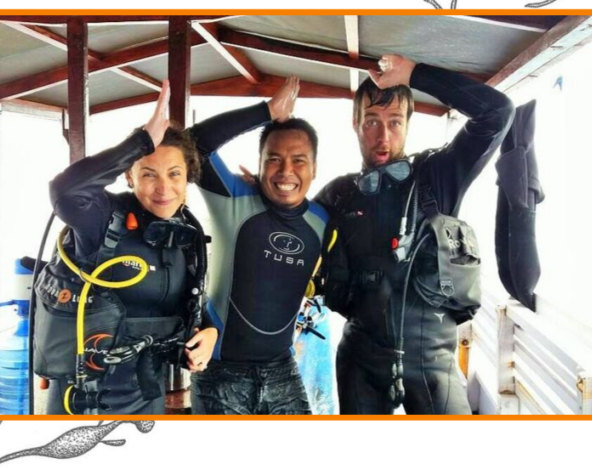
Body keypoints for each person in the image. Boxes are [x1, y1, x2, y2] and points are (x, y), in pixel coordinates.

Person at [315, 54, 514, 415]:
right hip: (360, 358)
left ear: (408, 124)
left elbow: (498, 112)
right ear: (355, 123)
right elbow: (290, 232)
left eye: (394, 122)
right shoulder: (338, 194)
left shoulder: (439, 176)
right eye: (372, 122)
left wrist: (414, 74)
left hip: (433, 363)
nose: (383, 136)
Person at [34, 81, 218, 415]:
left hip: (146, 391)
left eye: (174, 174)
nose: (164, 188)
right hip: (83, 397)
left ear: (187, 176)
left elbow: (190, 302)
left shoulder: (185, 235)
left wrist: (209, 332)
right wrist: (140, 143)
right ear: (129, 177)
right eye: (149, 174)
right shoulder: (103, 219)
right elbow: (64, 191)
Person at [188, 77, 330, 415]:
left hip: (283, 368)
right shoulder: (232, 198)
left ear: (314, 168)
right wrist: (266, 111)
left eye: (299, 160)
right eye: (273, 159)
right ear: (259, 163)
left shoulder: (323, 219)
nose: (285, 171)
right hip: (221, 372)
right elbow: (193, 143)